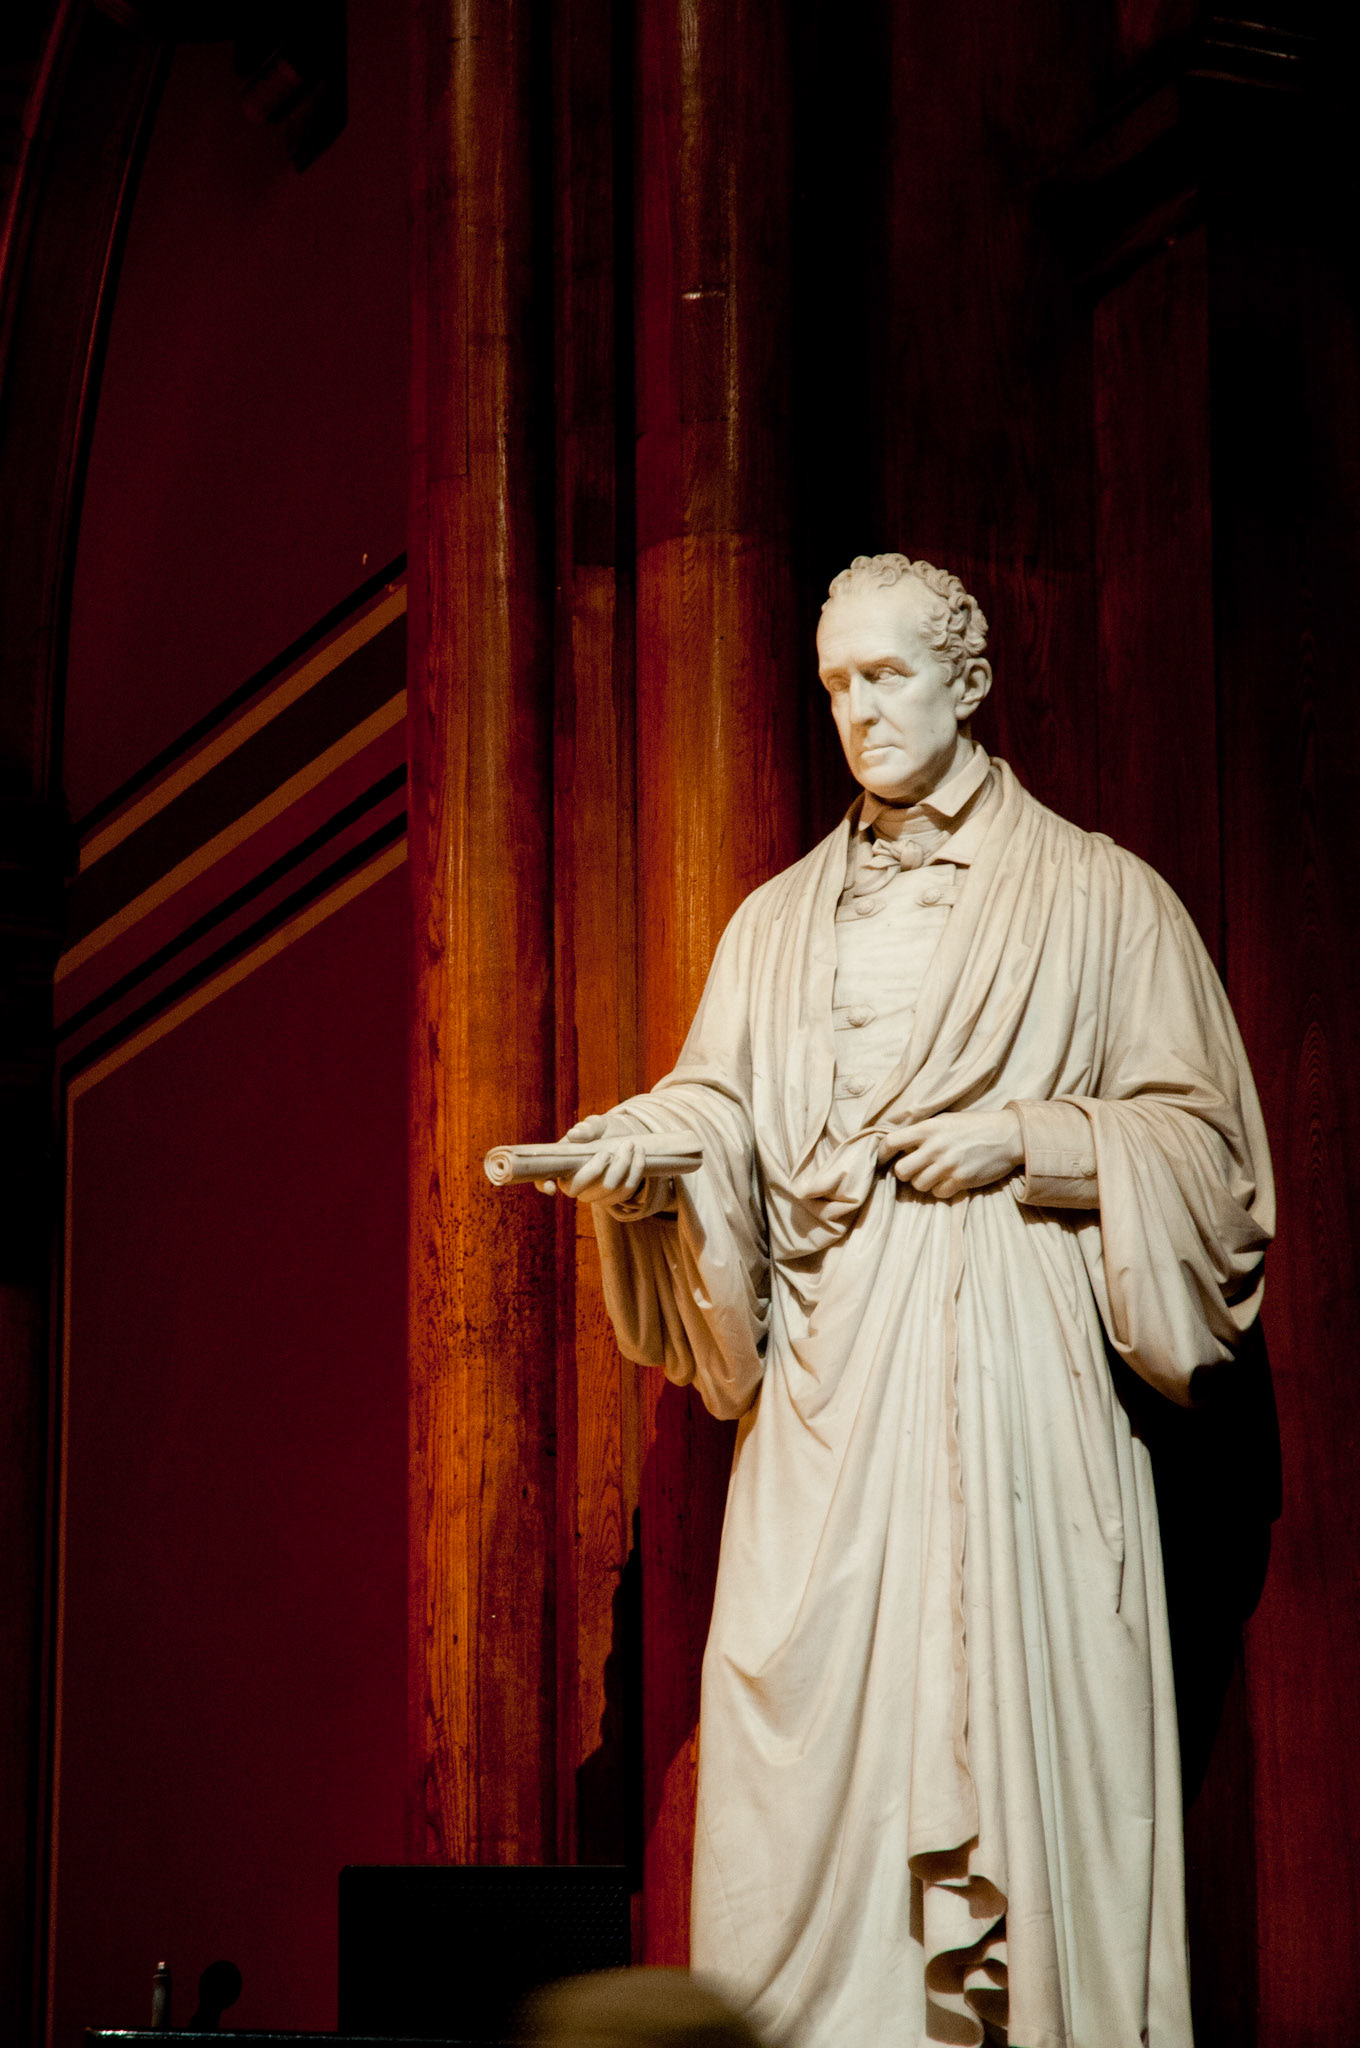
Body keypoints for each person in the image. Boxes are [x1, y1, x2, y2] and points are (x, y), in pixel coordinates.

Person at [546, 554, 1273, 2048]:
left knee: (1019, 1766)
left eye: (885, 679)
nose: (858, 714)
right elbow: (721, 1110)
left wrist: (1043, 1135)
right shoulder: (771, 926)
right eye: (834, 688)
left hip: (1017, 1401)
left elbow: (1216, 1166)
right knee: (796, 1768)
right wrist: (650, 1152)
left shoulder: (1100, 895)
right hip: (825, 1401)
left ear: (969, 682)